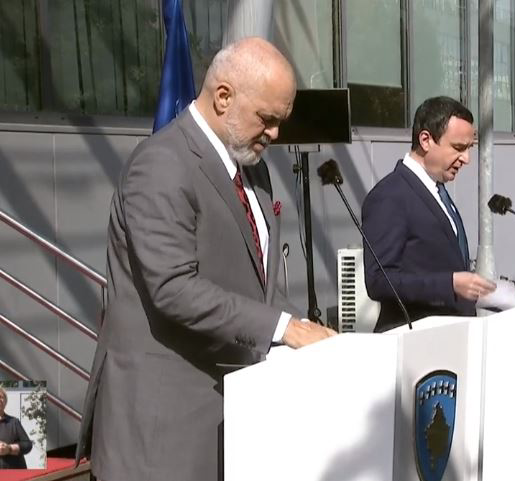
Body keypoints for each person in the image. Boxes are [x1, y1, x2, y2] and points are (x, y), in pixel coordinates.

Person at [75, 37, 336, 481]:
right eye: (267, 119)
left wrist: (308, 330)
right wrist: (285, 329)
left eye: (281, 121)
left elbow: (254, 284)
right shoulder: (162, 164)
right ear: (223, 97)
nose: (275, 134)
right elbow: (173, 289)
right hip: (162, 434)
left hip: (229, 418)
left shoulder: (252, 167)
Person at [362, 96, 496, 332]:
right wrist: (449, 284)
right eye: (458, 148)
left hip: (451, 336)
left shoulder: (437, 190)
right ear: (425, 140)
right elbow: (378, 281)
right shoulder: (390, 196)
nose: (466, 159)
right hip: (415, 340)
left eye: (469, 148)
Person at [0, 387, 32, 469]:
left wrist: (9, 449)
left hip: (15, 471)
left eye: (1, 397)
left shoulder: (14, 422)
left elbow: (27, 445)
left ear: (5, 402)